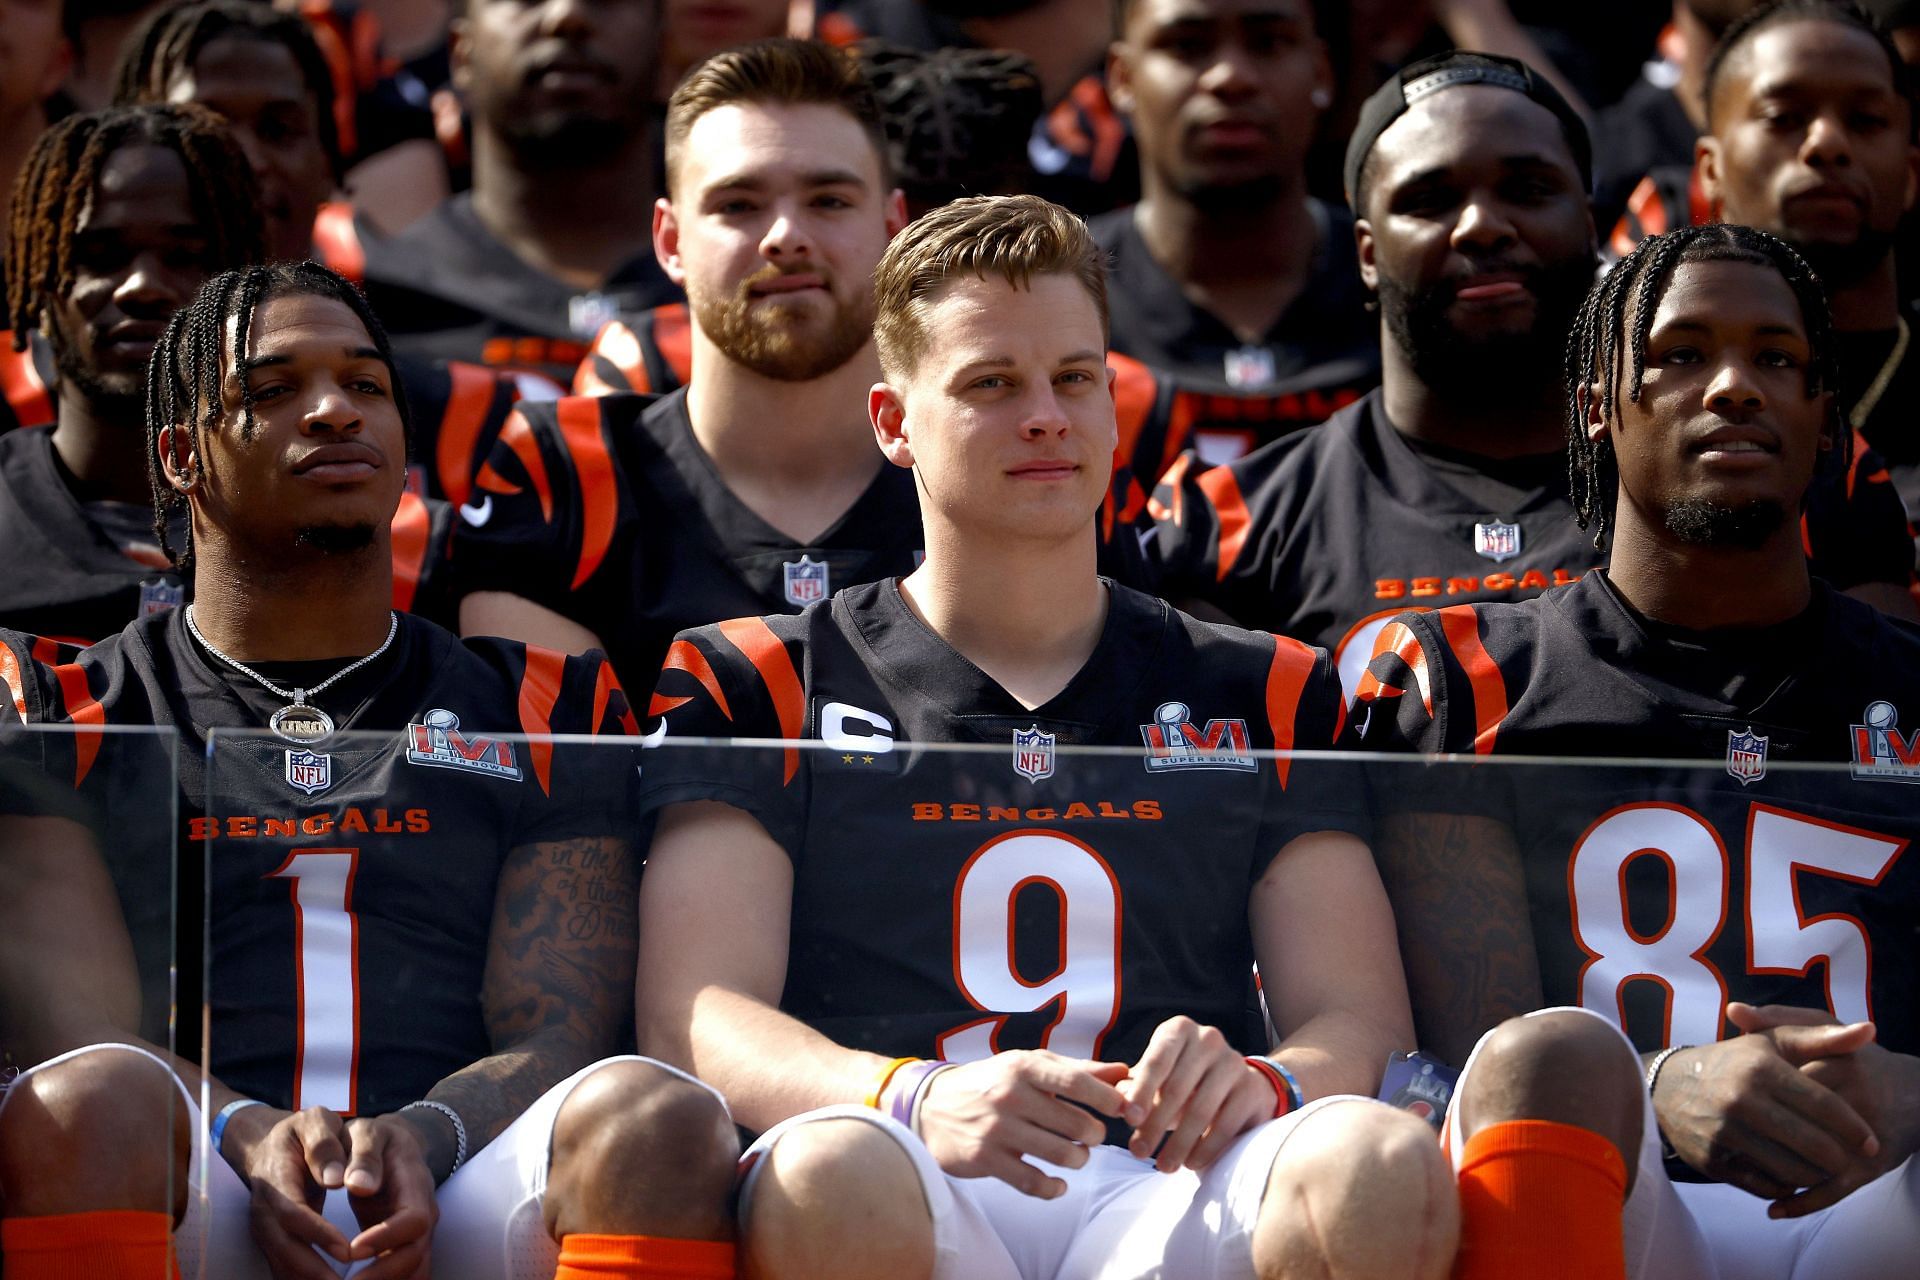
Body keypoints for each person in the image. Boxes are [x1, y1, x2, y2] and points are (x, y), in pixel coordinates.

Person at [631, 189, 1470, 1280]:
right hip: (901, 1158)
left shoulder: (1268, 683)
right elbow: (694, 1010)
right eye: (991, 383)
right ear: (892, 422)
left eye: (1075, 377)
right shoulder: (763, 674)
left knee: (1372, 1155)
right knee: (826, 1170)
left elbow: (1356, 1014)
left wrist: (1273, 1078)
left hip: (1172, 1178)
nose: (1045, 414)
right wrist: (911, 1092)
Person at [0, 260, 741, 1280]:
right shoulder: (73, 704)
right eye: (271, 389)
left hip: (455, 1171)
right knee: (90, 1098)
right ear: (178, 455)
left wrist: (425, 1133)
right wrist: (252, 1130)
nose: (334, 410)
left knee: (656, 1116)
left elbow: (561, 1020)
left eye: (364, 384)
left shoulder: (539, 699)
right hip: (198, 1169)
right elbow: (77, 1027)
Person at [1356, 222, 1920, 1279]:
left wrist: (1910, 1092)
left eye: (1778, 359)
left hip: (1879, 1201)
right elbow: (1459, 1057)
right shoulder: (1475, 677)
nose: (1735, 387)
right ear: (1597, 407)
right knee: (1547, 1056)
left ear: (1824, 416)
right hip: (1611, 1201)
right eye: (1680, 353)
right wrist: (1654, 1083)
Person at [1145, 50, 1917, 700]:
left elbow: (1881, 734)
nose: (1483, 224)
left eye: (1528, 189)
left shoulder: (1789, 470)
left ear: (1590, 222)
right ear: (1368, 253)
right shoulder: (1234, 521)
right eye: (1431, 198)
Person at [453, 39, 921, 692]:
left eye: (829, 200)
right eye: (738, 204)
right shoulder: (566, 477)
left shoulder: (987, 458)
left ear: (895, 227)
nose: (785, 234)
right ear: (670, 241)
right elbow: (567, 786)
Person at [110, 0, 525, 506]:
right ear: (128, 161)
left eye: (279, 129)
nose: (247, 160)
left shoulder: (460, 413)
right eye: (204, 129)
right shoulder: (45, 393)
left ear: (329, 162)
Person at [0, 105, 263, 643]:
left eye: (186, 255)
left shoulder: (320, 524)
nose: (142, 285)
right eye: (100, 256)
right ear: (41, 287)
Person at [1099, 0, 1379, 461]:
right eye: (1187, 46)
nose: (1230, 77)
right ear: (1123, 77)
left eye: (1268, 43)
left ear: (1322, 72)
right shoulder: (1056, 296)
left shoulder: (1406, 284)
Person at [360, 0, 678, 386]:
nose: (568, 15)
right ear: (460, 53)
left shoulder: (739, 283)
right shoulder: (376, 304)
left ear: (663, 51)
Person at [1695, 0, 1920, 519]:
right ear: (1711, 170)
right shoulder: (1646, 398)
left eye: (1865, 120)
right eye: (1783, 118)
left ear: (1910, 175)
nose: (1827, 144)